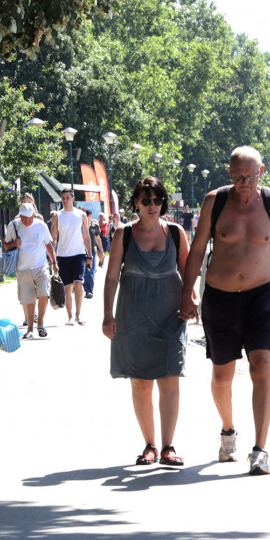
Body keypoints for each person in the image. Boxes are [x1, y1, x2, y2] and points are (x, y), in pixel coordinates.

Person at [179, 146, 270, 475]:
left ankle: (260, 449)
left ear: (262, 173)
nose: (245, 182)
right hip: (220, 297)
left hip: (260, 298)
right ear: (230, 174)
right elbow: (198, 248)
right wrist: (187, 291)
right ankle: (228, 429)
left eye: (251, 176)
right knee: (222, 376)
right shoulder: (215, 202)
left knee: (262, 366)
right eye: (239, 176)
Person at [103, 177, 191, 467]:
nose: (153, 206)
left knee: (169, 379)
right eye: (146, 200)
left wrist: (192, 298)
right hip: (134, 316)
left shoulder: (177, 233)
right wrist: (107, 314)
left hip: (170, 314)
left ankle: (168, 446)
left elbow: (189, 273)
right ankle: (150, 445)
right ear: (136, 203)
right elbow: (112, 277)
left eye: (157, 200)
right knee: (140, 383)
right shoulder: (123, 234)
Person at [5, 202, 57, 338]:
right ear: (20, 216)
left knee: (44, 293)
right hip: (23, 269)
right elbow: (5, 245)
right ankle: (30, 329)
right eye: (24, 218)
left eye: (29, 218)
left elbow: (48, 244)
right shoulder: (14, 225)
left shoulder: (41, 225)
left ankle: (40, 324)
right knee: (28, 299)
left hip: (41, 266)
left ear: (34, 214)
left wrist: (54, 262)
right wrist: (14, 244)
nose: (26, 221)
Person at [50, 188, 92, 325]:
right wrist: (53, 259)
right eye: (63, 198)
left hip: (79, 254)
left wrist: (90, 255)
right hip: (63, 255)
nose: (65, 200)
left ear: (73, 199)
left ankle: (78, 315)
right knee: (67, 287)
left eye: (67, 198)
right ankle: (69, 317)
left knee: (79, 284)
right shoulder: (57, 216)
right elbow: (53, 238)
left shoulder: (81, 215)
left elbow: (86, 236)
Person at [83, 208, 106, 298]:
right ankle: (86, 288)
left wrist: (101, 250)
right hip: (81, 251)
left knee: (91, 270)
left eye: (85, 215)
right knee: (84, 271)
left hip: (92, 250)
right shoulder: (79, 225)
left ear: (90, 216)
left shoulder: (95, 225)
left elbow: (98, 238)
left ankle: (89, 291)